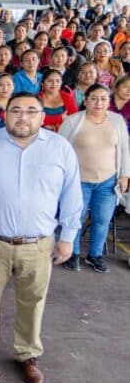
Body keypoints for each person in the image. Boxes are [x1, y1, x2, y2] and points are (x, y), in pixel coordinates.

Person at [0, 92, 82, 383]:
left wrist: (67, 237)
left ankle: (27, 354)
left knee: (33, 300)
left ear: (42, 116)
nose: (23, 116)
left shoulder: (60, 148)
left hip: (39, 244)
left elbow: (71, 195)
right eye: (16, 110)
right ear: (5, 114)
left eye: (31, 111)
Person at [59, 84, 130, 273]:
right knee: (76, 217)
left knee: (102, 219)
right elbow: (59, 150)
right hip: (78, 181)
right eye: (94, 98)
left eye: (104, 98)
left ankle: (94, 255)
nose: (99, 102)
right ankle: (72, 254)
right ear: (85, 100)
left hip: (108, 181)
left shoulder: (117, 121)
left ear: (109, 101)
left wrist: (125, 175)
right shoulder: (73, 121)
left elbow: (124, 149)